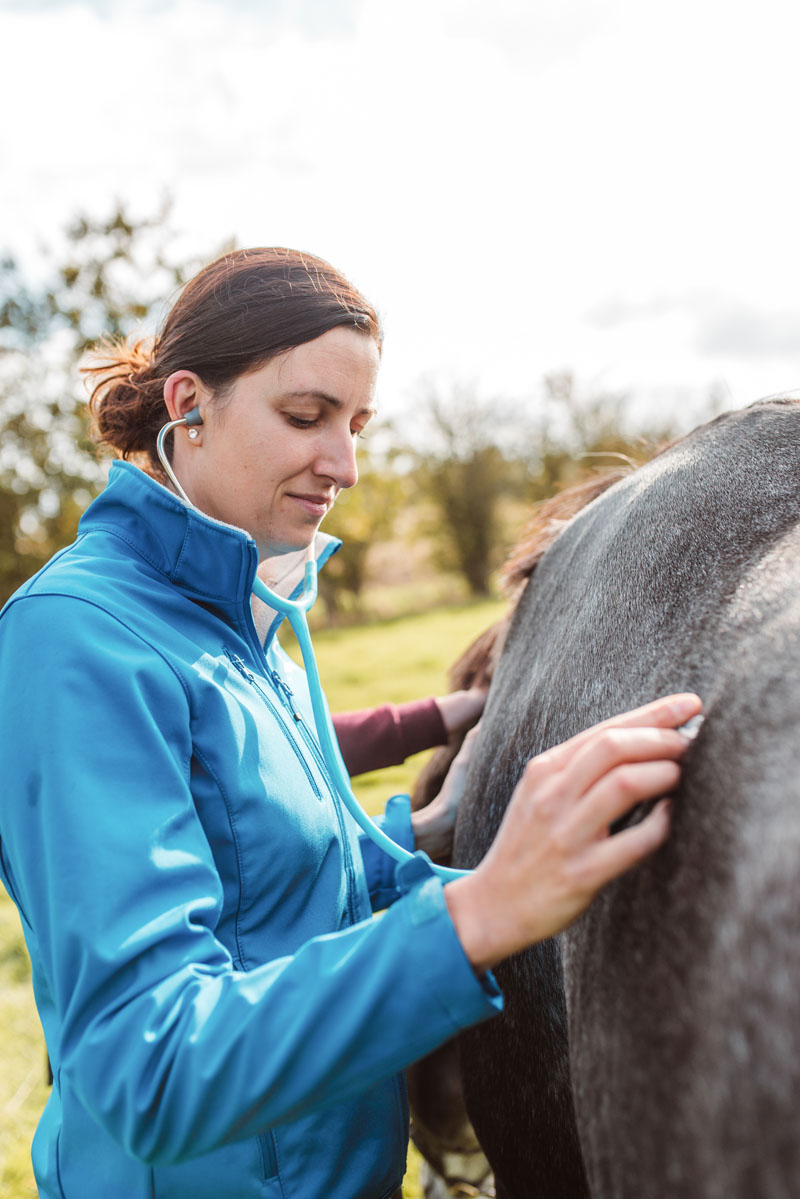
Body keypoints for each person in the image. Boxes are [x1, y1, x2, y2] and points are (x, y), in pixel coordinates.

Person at [0, 246, 701, 1199]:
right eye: (307, 416)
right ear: (187, 405)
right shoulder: (73, 640)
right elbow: (147, 1063)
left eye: (359, 424)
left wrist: (482, 829)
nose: (347, 465)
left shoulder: (253, 625)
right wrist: (481, 910)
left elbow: (288, 882)